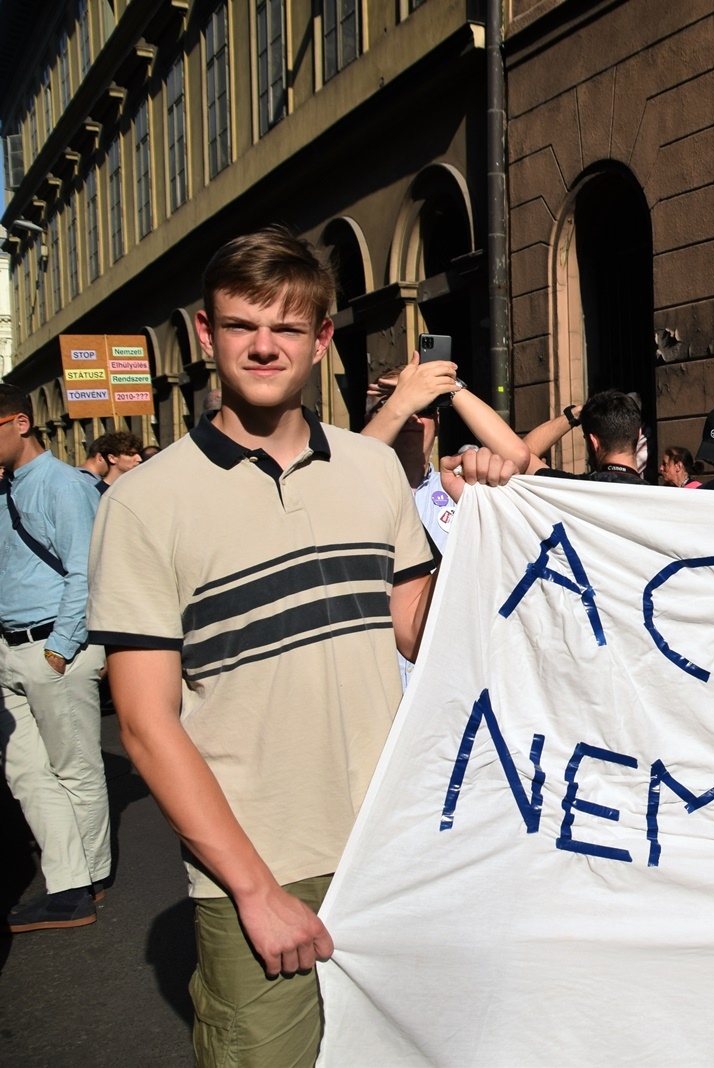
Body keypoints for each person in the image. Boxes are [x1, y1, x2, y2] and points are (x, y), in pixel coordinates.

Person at [86, 226, 516, 1066]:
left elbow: (419, 631)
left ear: (321, 340)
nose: (263, 346)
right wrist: (252, 889)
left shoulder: (372, 468)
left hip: (393, 842)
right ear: (206, 334)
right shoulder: (142, 503)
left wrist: (482, 531)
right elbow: (143, 722)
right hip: (262, 861)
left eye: (286, 327)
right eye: (242, 325)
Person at [0, 386, 111, 933]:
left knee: (75, 768)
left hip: (54, 646)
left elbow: (85, 570)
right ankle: (69, 882)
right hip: (10, 646)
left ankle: (87, 881)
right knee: (27, 774)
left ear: (20, 423)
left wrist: (59, 649)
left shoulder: (64, 485)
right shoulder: (6, 487)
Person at [361, 353, 530, 551]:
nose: (411, 415)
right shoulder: (354, 484)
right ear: (369, 420)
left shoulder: (458, 485)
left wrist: (448, 386)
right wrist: (400, 403)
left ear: (437, 422)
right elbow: (353, 464)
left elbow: (517, 457)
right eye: (390, 403)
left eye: (424, 407)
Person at [523, 391, 650, 484]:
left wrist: (575, 413)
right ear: (639, 434)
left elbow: (523, 455)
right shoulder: (659, 498)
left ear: (594, 442)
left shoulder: (574, 489)